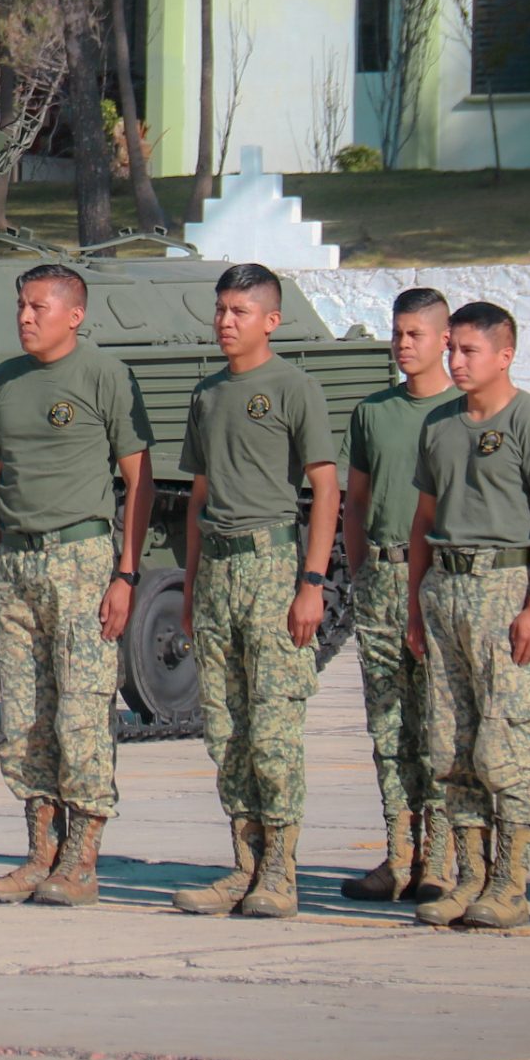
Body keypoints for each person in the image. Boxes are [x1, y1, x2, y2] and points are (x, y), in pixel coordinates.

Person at [0, 265, 154, 909]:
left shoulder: (103, 375)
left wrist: (126, 573)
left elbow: (140, 479)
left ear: (74, 314)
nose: (24, 316)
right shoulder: (5, 380)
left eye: (38, 306)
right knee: (24, 717)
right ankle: (38, 854)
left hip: (81, 557)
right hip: (16, 565)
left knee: (81, 712)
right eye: (20, 304)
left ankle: (81, 860)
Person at [172, 264, 337, 920]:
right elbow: (199, 494)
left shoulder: (296, 388)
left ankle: (280, 872)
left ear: (272, 319)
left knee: (273, 732)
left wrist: (312, 582)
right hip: (216, 568)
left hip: (272, 565)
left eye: (240, 310)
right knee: (227, 730)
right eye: (220, 309)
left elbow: (324, 486)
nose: (225, 321)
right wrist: (190, 585)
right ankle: (244, 866)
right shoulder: (207, 393)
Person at [406, 301, 530, 930]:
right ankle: (469, 877)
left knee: (504, 746)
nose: (456, 361)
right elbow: (424, 520)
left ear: (505, 355)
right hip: (444, 589)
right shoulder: (440, 425)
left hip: (503, 587)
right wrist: (416, 608)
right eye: (453, 349)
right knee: (451, 746)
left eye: (469, 351)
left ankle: (510, 881)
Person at [337, 286, 457, 904]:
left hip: (440, 580)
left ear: (443, 339)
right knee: (389, 727)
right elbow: (354, 502)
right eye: (398, 332)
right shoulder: (373, 412)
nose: (404, 345)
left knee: (438, 726)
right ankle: (399, 854)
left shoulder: (464, 411)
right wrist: (360, 574)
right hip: (382, 578)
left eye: (416, 334)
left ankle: (438, 858)